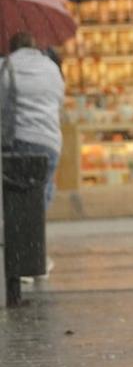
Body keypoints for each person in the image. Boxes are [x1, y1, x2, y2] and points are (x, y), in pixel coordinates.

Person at [1, 32, 65, 281]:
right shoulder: (51, 68)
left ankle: (21, 257)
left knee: (14, 198)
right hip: (48, 142)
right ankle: (33, 256)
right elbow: (58, 99)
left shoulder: (6, 66)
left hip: (15, 139)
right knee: (39, 195)